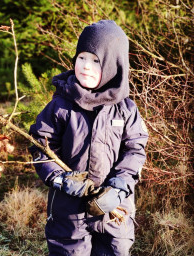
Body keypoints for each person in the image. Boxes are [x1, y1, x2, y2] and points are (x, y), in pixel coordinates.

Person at [29, 20, 149, 256]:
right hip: (69, 212)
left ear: (114, 65)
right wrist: (60, 178)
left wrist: (119, 187)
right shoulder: (61, 105)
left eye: (96, 61)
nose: (85, 66)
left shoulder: (125, 109)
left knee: (114, 250)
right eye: (81, 57)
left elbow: (135, 150)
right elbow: (40, 145)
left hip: (114, 210)